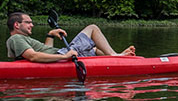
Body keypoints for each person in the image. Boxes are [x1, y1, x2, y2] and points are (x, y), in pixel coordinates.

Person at [6, 12, 135, 62]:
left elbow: (44, 50)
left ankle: (115, 57)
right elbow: (33, 56)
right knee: (93, 28)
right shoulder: (16, 39)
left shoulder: (20, 40)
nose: (32, 25)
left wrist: (50, 35)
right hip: (62, 55)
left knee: (94, 49)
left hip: (58, 54)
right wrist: (65, 56)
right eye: (28, 22)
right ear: (17, 25)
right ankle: (115, 56)